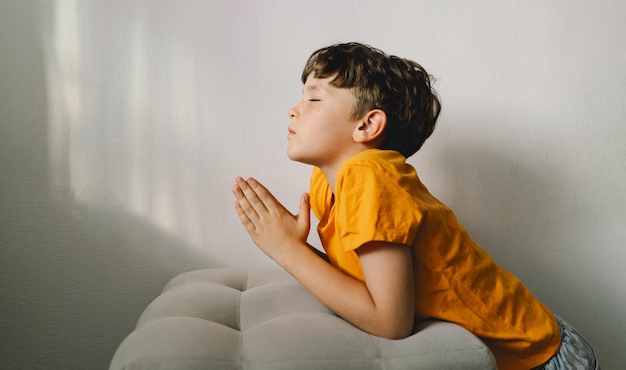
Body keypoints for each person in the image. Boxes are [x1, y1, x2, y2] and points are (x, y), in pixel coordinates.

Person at [232, 42, 599, 370]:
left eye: (314, 98)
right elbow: (364, 284)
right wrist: (295, 247)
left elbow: (390, 321)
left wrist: (287, 251)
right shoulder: (329, 182)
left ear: (368, 124)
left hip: (540, 357)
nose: (293, 110)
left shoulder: (368, 174)